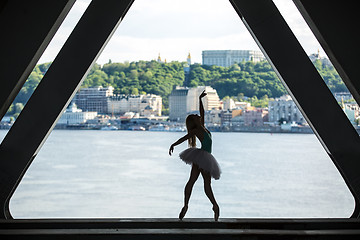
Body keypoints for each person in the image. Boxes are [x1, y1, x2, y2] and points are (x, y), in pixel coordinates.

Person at [169, 90, 221, 221]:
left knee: (193, 181)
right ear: (195, 121)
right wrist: (173, 144)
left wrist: (200, 99)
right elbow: (184, 137)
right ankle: (214, 206)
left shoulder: (202, 127)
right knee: (205, 184)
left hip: (202, 157)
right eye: (196, 116)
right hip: (204, 157)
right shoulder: (197, 129)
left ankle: (187, 205)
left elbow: (202, 112)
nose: (199, 116)